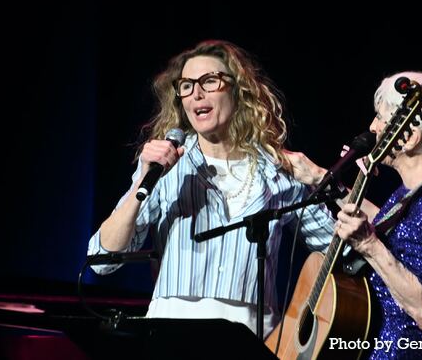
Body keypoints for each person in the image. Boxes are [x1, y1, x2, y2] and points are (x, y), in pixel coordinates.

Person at [87, 40, 335, 336]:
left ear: (238, 90)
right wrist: (143, 180)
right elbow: (102, 260)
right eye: (187, 85)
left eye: (209, 81)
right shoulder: (166, 167)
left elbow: (337, 251)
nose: (197, 93)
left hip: (252, 336)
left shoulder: (278, 170)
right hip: (171, 334)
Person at [288, 71, 422, 359]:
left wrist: (368, 245)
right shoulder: (418, 191)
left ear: (409, 137)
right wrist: (325, 181)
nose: (372, 126)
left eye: (380, 118)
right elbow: (390, 226)